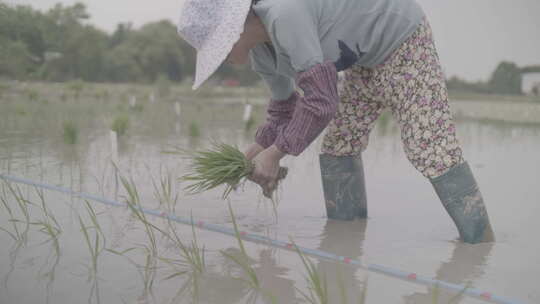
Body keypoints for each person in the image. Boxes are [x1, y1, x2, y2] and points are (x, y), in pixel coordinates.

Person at [177, 0, 495, 243]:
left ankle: (479, 243)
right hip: (362, 60)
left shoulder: (285, 15)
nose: (219, 59)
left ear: (236, 28)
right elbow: (283, 112)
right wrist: (244, 160)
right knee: (338, 149)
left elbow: (321, 102)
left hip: (402, 40)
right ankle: (346, 242)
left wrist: (273, 156)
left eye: (217, 47)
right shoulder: (261, 52)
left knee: (429, 148)